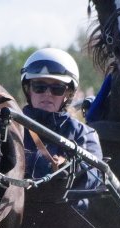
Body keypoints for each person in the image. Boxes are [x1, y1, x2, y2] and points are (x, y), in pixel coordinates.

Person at [19, 48, 103, 206]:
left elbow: (94, 176)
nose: (47, 94)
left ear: (68, 94)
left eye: (57, 88)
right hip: (14, 214)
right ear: (28, 89)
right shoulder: (11, 127)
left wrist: (69, 168)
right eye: (39, 87)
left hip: (66, 216)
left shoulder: (83, 133)